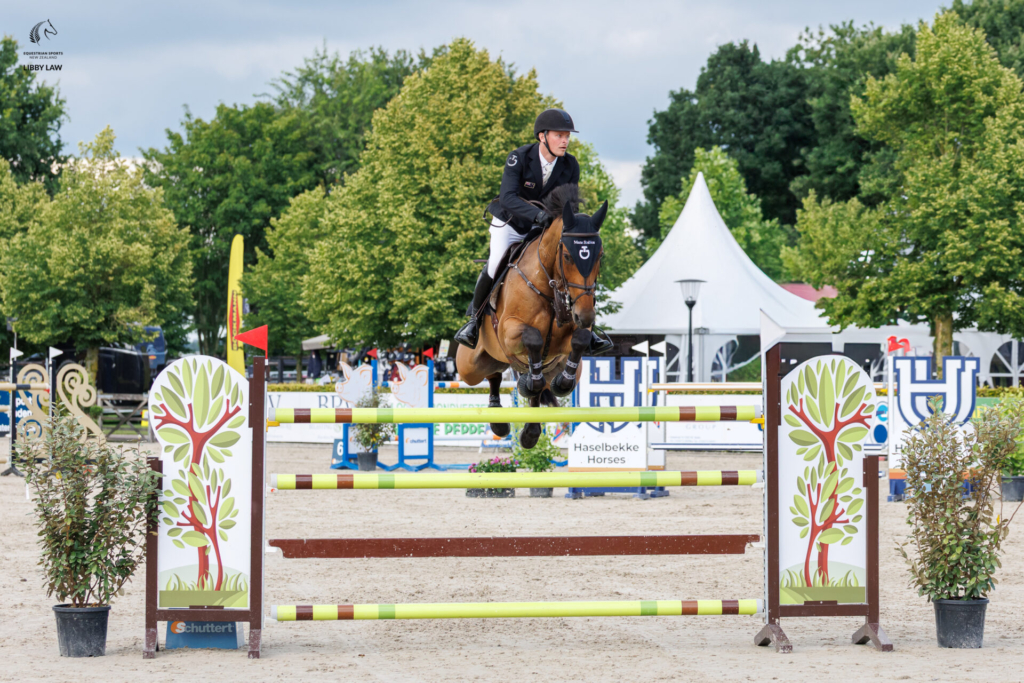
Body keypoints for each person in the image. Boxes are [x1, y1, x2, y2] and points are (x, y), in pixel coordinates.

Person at [454, 108, 614, 354]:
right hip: (510, 223)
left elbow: (566, 206)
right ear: (543, 136)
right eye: (559, 135)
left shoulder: (570, 164)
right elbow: (507, 198)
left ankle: (588, 329)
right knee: (496, 261)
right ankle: (474, 321)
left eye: (567, 136)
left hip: (544, 229)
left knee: (572, 262)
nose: (565, 141)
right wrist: (537, 215)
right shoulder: (518, 158)